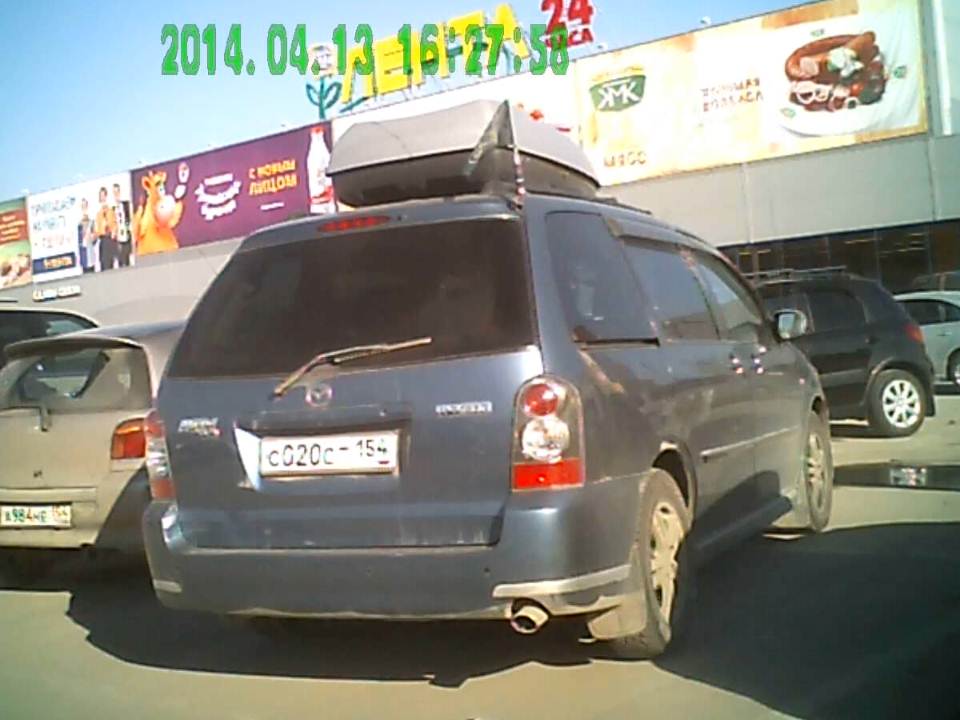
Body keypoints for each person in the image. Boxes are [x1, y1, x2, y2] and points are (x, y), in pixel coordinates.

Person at [94, 186, 117, 271]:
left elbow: (114, 225)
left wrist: (113, 231)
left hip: (110, 240)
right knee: (103, 263)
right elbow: (97, 229)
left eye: (103, 195)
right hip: (102, 241)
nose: (102, 197)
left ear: (106, 196)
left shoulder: (111, 211)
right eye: (101, 196)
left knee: (110, 264)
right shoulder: (98, 213)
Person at [112, 182, 132, 267]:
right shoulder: (112, 209)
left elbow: (129, 219)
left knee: (127, 261)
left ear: (120, 192)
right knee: (120, 262)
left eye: (117, 192)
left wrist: (128, 228)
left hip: (126, 237)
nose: (116, 194)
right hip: (118, 240)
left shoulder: (126, 204)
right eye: (114, 192)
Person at [77, 197, 98, 272]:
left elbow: (95, 238)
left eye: (85, 206)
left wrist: (94, 237)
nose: (84, 208)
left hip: (91, 254)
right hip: (83, 256)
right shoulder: (78, 224)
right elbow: (79, 241)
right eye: (83, 206)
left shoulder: (91, 222)